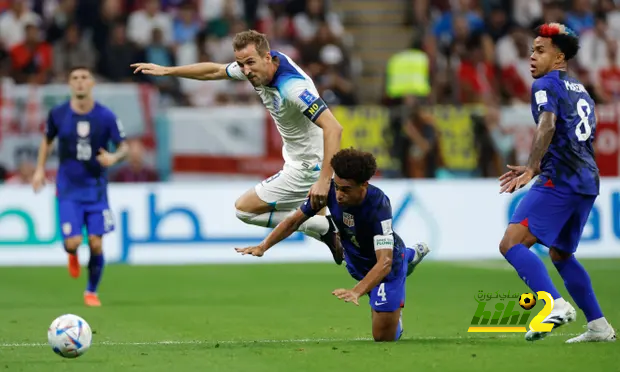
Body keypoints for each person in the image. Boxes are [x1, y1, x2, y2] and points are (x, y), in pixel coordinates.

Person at [130, 30, 345, 265]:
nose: (246, 71)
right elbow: (215, 70)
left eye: (250, 63)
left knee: (245, 210)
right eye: (241, 65)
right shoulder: (258, 67)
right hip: (298, 158)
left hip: (307, 166)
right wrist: (168, 71)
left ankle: (323, 226)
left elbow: (334, 128)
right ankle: (327, 228)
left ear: (267, 58)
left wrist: (323, 180)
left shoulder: (292, 88)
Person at [235, 148, 430, 341]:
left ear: (364, 185)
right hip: (355, 260)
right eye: (337, 187)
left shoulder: (378, 205)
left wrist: (356, 291)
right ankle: (409, 258)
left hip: (387, 266)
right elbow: (294, 221)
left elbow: (385, 262)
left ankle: (406, 259)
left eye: (346, 189)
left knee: (383, 337)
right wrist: (263, 246)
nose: (338, 195)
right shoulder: (328, 190)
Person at [499, 23, 616, 343]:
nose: (532, 58)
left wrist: (533, 166)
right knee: (561, 255)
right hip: (587, 180)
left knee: (511, 243)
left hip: (561, 179)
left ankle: (555, 304)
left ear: (559, 57)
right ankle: (599, 326)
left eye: (540, 51)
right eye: (531, 51)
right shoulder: (582, 90)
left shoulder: (544, 86)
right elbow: (572, 137)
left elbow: (548, 125)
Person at [32, 66, 128, 307]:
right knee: (73, 242)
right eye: (75, 78)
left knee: (96, 242)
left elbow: (124, 146)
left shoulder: (105, 116)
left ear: (93, 83)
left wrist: (114, 158)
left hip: (96, 189)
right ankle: (72, 254)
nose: (80, 82)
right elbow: (47, 141)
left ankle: (91, 292)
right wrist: (39, 169)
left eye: (85, 78)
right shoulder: (58, 114)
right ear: (70, 84)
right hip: (68, 189)